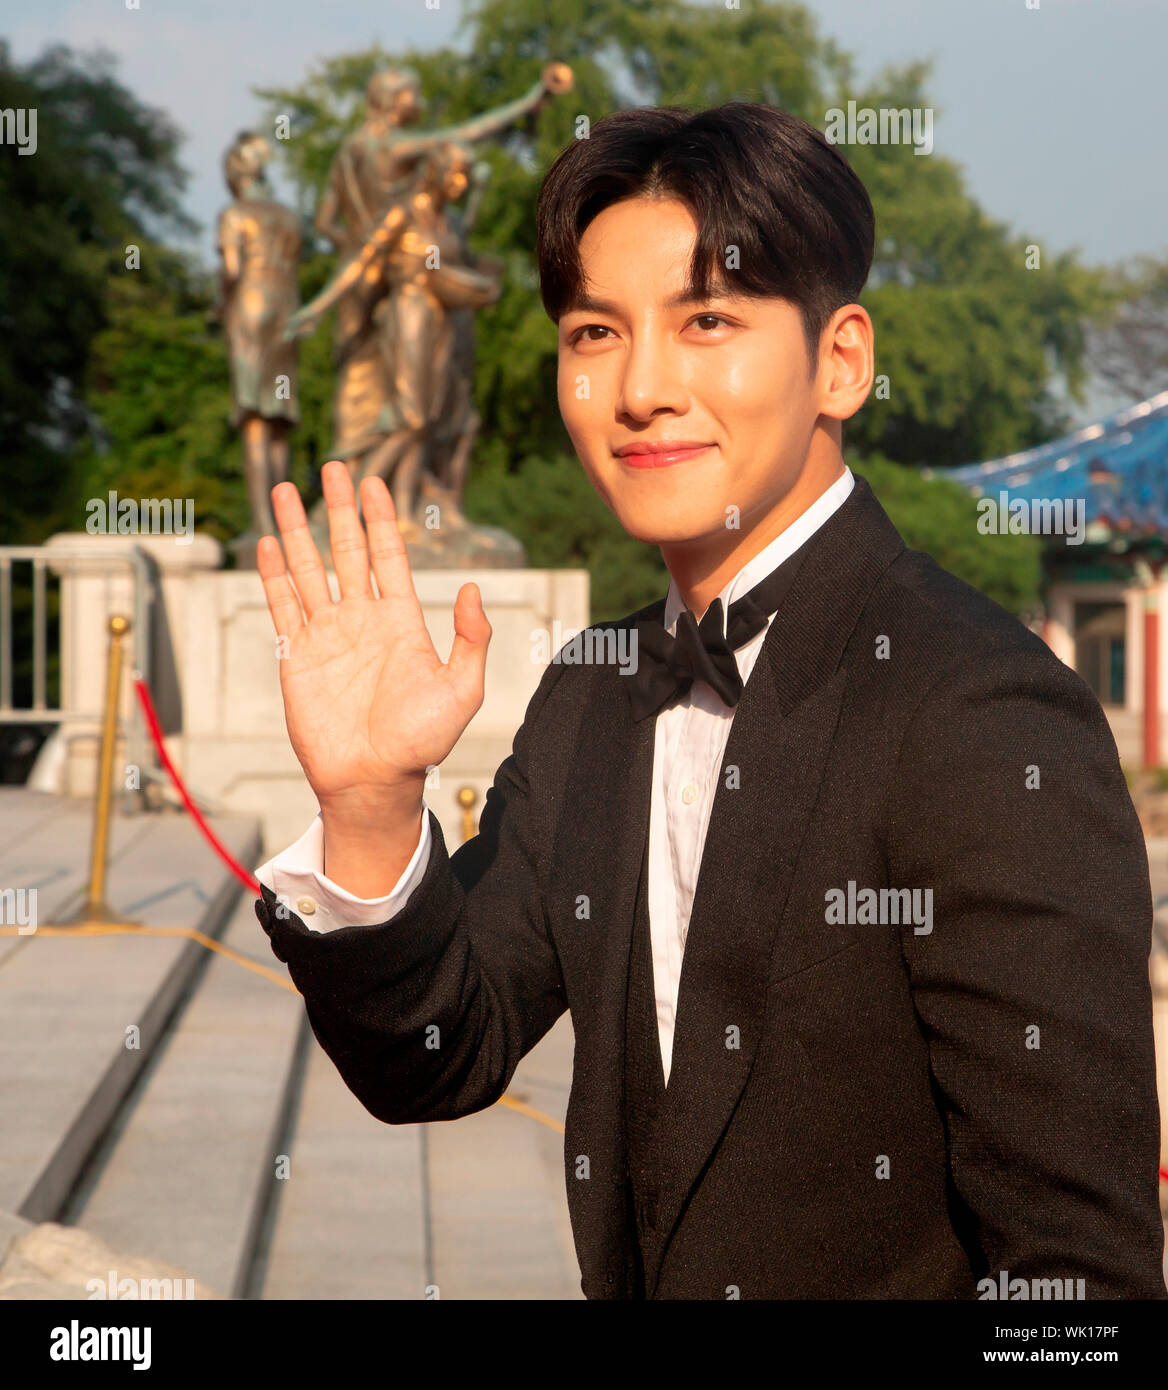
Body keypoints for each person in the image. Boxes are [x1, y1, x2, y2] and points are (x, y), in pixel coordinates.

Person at [252, 103, 1166, 1299]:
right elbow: (438, 1056)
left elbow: (1077, 1279)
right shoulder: (591, 693)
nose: (641, 388)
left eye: (708, 321)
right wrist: (371, 807)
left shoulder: (979, 712)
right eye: (595, 331)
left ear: (839, 360)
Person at [216, 130, 301, 539]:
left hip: (250, 306)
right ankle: (286, 525)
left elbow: (232, 271)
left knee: (253, 416)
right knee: (279, 417)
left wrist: (220, 303)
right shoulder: (287, 215)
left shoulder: (235, 214)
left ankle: (264, 527)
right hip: (287, 307)